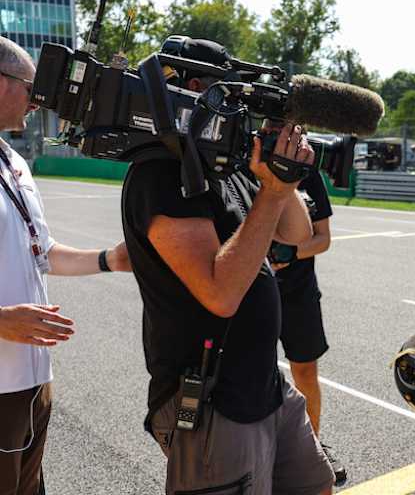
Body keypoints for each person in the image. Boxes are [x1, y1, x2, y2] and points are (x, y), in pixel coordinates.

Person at [121, 72, 335, 493]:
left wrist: (282, 176)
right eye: (222, 90)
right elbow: (219, 295)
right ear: (192, 91)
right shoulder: (161, 173)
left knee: (315, 484)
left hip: (263, 383)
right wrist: (270, 194)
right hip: (212, 396)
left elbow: (295, 233)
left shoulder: (227, 162)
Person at [0, 36, 130, 495]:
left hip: (33, 381)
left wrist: (110, 259)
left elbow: (42, 250)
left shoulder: (14, 161)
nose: (39, 100)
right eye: (30, 87)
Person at [271, 169, 347, 486]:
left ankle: (312, 445)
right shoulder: (246, 161)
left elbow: (323, 239)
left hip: (298, 292)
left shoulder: (308, 175)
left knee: (305, 372)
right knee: (249, 370)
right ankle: (257, 447)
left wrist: (288, 252)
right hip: (250, 288)